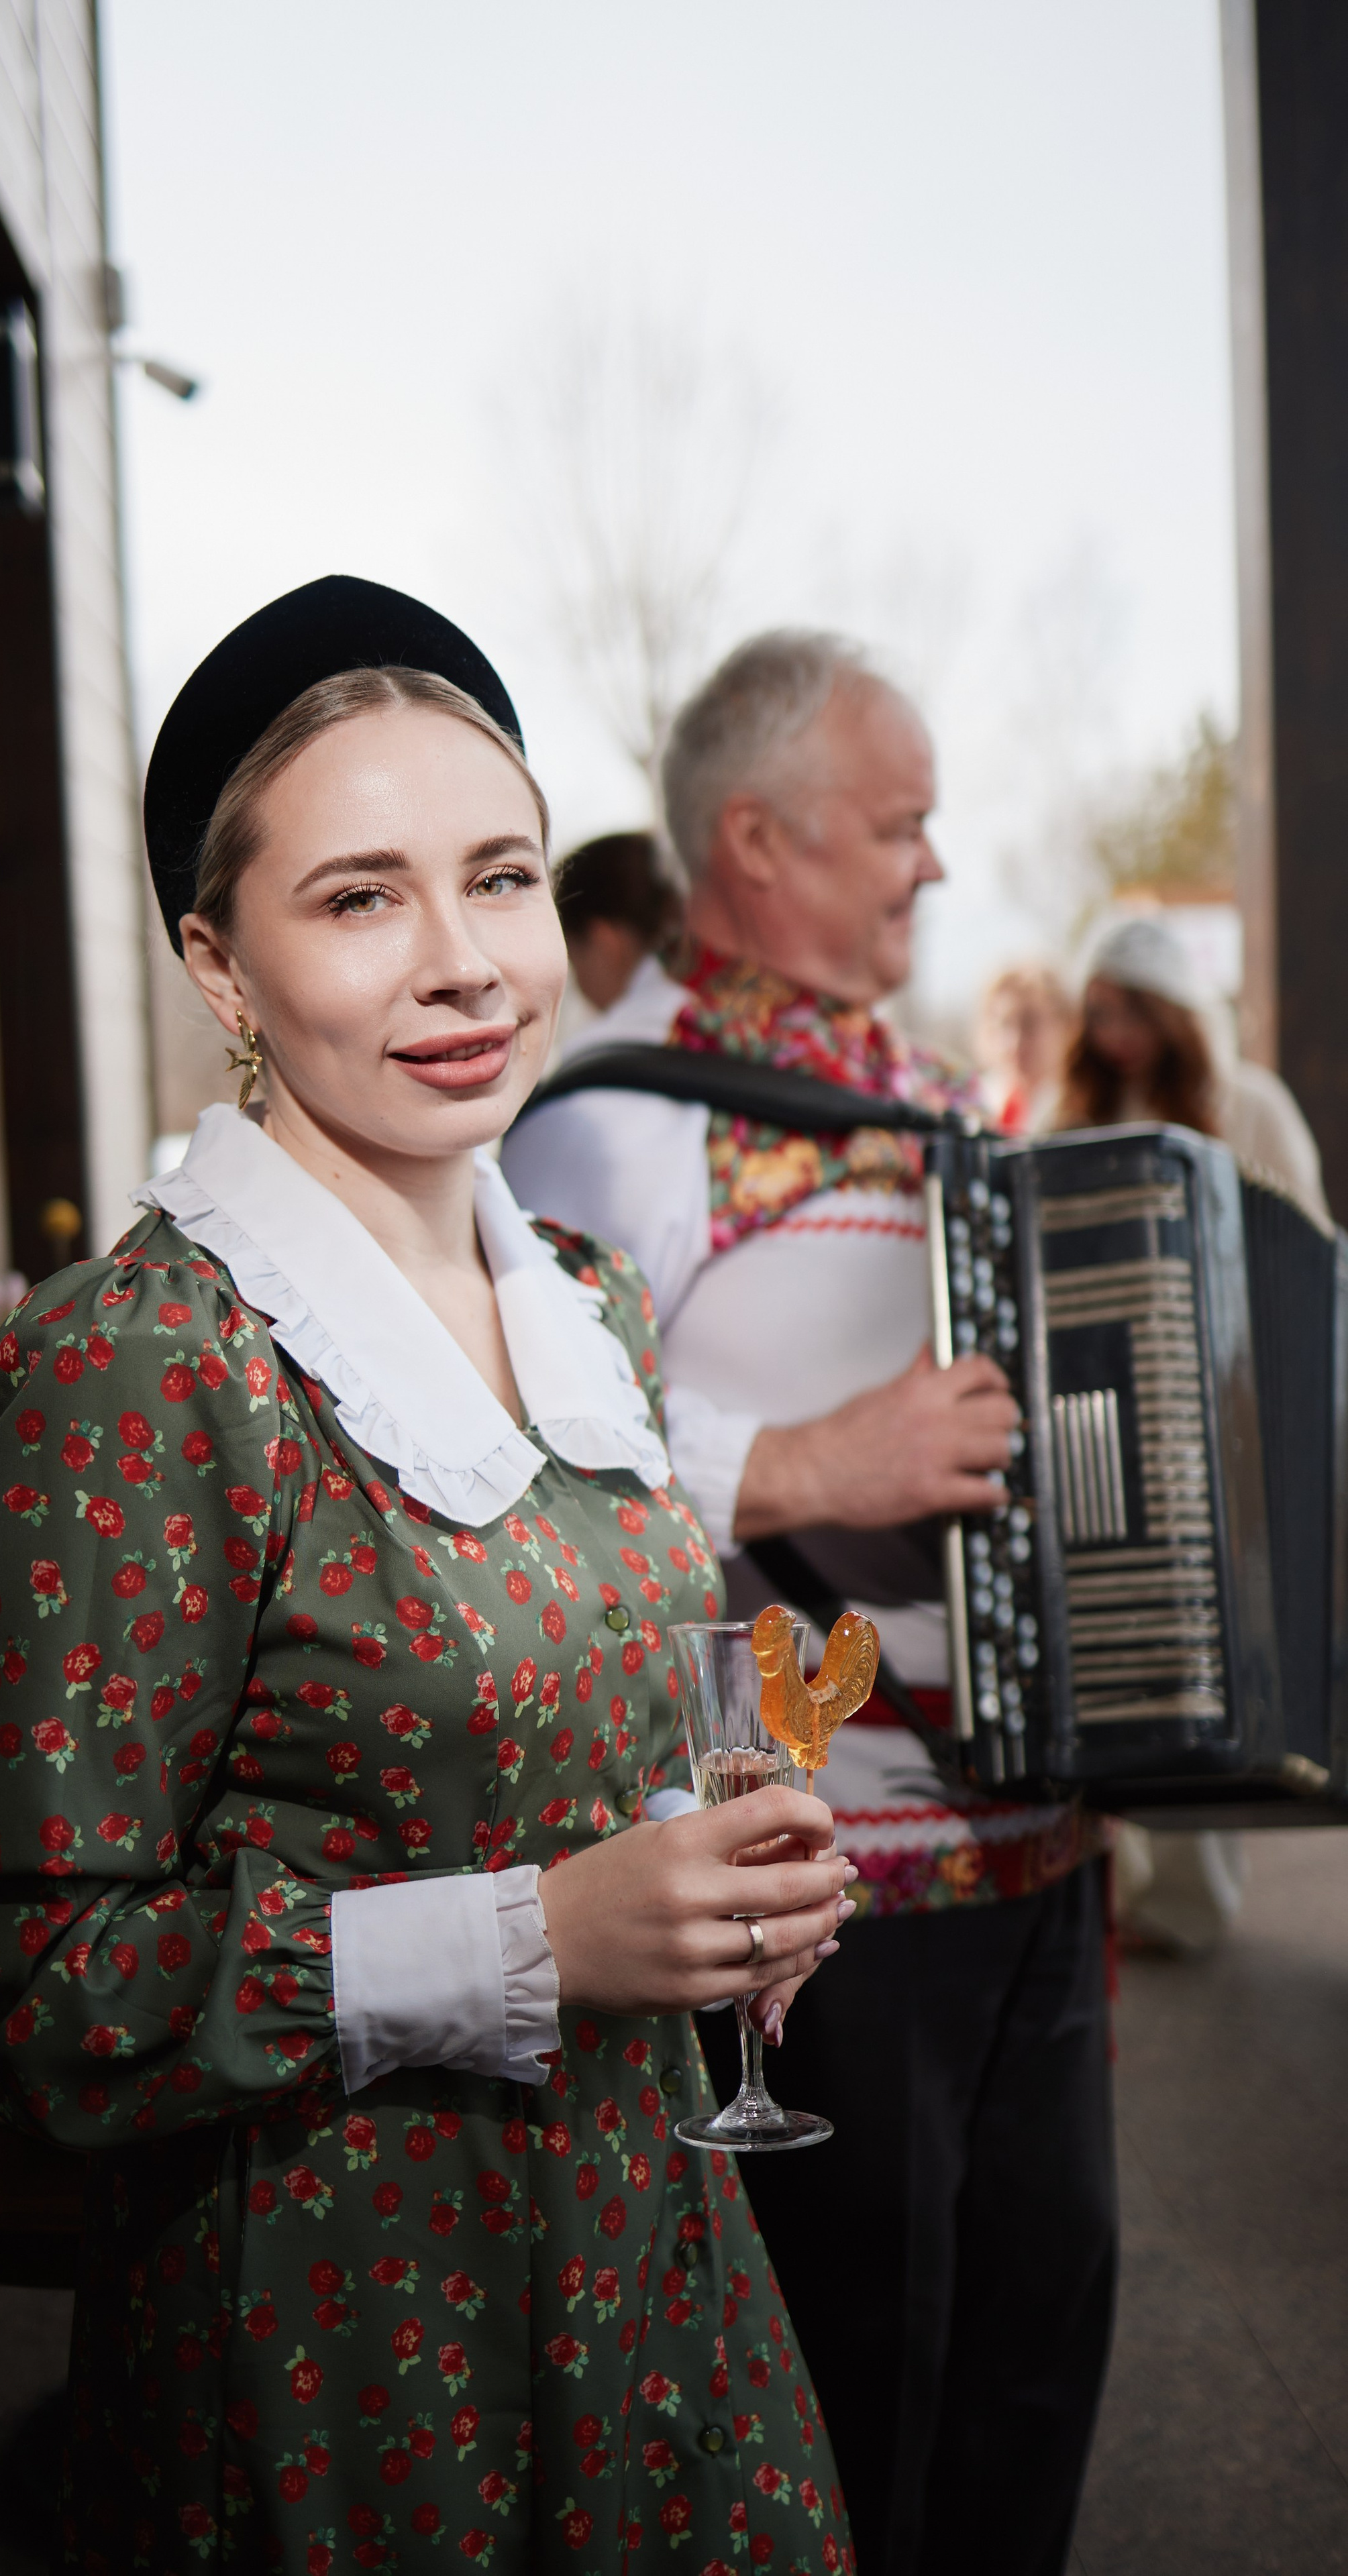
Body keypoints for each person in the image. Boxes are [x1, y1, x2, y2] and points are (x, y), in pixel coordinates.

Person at [0, 578, 858, 2574]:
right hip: (338, 2339)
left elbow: (567, 1777)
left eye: (499, 877)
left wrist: (713, 1879)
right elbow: (21, 1992)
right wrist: (537, 1937)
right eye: (357, 897)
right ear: (218, 963)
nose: (464, 964)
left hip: (655, 2263)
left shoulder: (578, 1298)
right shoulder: (143, 1364)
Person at [503, 630, 1114, 2576]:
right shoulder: (616, 1119)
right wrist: (800, 1467)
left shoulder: (924, 1098)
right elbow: (540, 1460)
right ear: (753, 841)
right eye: (898, 826)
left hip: (1039, 1847)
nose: (933, 867)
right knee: (860, 2392)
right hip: (825, 1892)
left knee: (1037, 2356)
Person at [1056, 912, 1329, 1954]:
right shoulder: (1073, 1109)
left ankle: (1188, 1896)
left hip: (1223, 1423)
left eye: (1128, 1009)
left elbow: (1305, 1236)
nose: (1111, 1030)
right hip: (1107, 1421)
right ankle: (1108, 1879)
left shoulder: (1246, 1105)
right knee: (1110, 1651)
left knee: (1208, 1659)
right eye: (1099, 1010)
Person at [1059, 912, 1328, 1222]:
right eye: (1101, 1014)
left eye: (1136, 1012)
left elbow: (1310, 1229)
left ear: (1172, 1012)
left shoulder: (1254, 1106)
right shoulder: (1066, 1113)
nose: (1118, 1033)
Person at [554, 828, 683, 1012]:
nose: (578, 987)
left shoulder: (613, 1037)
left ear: (605, 942)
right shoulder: (720, 1011)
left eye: (575, 964)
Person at [974, 961, 1075, 1136]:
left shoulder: (1082, 1104)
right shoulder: (977, 1102)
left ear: (1065, 1025)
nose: (1015, 1042)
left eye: (1030, 1023)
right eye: (1005, 1024)